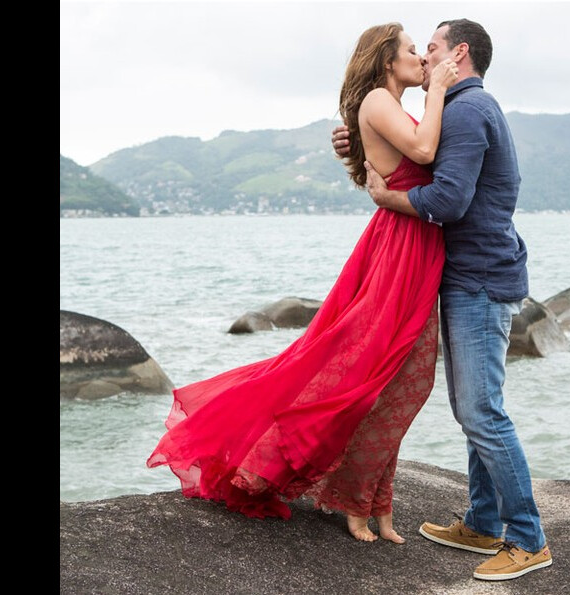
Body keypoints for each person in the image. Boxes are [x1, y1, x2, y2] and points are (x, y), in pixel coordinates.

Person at [146, 23, 459, 545]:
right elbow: (424, 154)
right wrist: (443, 90)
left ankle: (378, 505)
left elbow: (403, 161)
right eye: (411, 51)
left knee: (405, 383)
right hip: (401, 247)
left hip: (415, 245)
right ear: (386, 59)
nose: (421, 60)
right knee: (365, 378)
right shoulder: (381, 100)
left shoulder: (392, 106)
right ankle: (354, 501)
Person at [332, 18, 552, 581]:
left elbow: (448, 200)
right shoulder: (455, 108)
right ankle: (482, 522)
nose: (424, 57)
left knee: (480, 411)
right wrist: (357, 141)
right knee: (474, 408)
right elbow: (410, 151)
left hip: (478, 276)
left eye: (429, 48)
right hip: (468, 274)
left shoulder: (466, 110)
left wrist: (387, 197)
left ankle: (527, 538)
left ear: (458, 52)